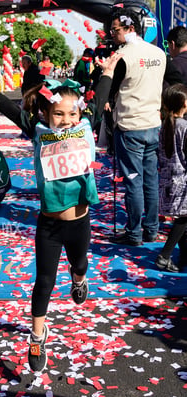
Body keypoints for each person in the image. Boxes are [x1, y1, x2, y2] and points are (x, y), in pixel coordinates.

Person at [0, 53, 122, 372]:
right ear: (46, 112)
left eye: (70, 113)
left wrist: (107, 73)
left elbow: (101, 96)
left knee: (79, 264)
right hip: (48, 225)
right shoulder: (38, 132)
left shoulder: (86, 127)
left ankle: (79, 280)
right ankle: (37, 335)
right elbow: (10, 110)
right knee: (44, 280)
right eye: (58, 113)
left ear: (79, 113)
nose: (65, 119)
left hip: (79, 222)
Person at [108, 8, 166, 246]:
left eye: (115, 30)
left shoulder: (122, 56)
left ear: (130, 28)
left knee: (133, 181)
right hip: (153, 123)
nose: (112, 34)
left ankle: (134, 232)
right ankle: (151, 229)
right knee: (150, 180)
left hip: (131, 125)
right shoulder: (159, 53)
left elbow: (111, 89)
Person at [155, 84, 187, 273]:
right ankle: (165, 255)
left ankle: (183, 254)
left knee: (183, 218)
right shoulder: (184, 126)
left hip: (168, 180)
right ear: (184, 103)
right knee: (183, 219)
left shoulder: (166, 125)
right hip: (182, 182)